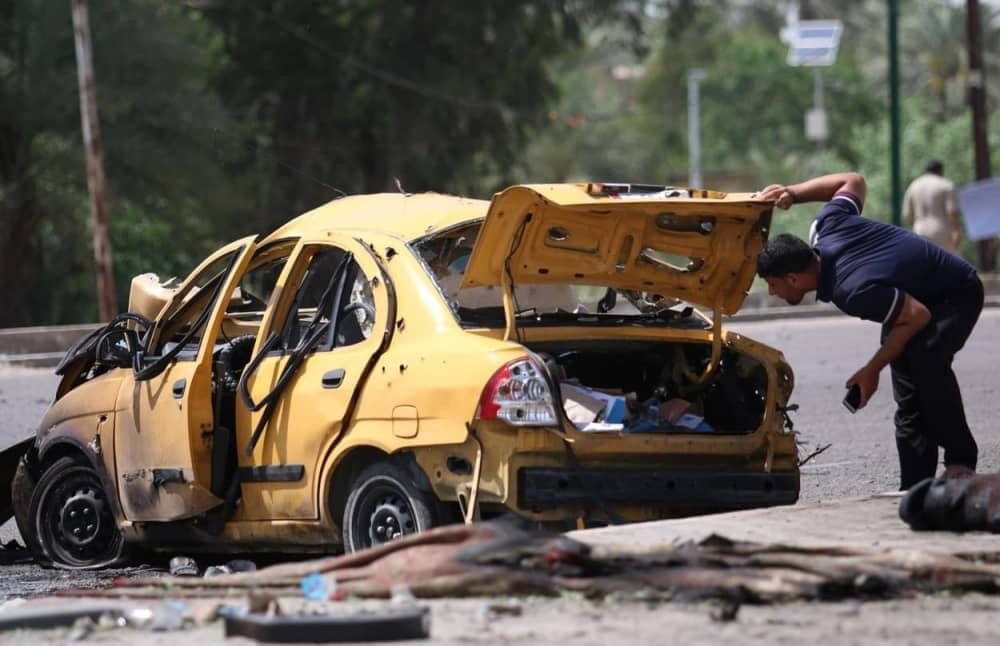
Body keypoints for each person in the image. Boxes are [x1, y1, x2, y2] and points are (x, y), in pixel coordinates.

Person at [754, 172, 984, 490]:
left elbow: (916, 317)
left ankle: (961, 461)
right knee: (907, 388)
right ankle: (915, 487)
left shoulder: (852, 289)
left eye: (773, 285)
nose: (772, 293)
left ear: (793, 279)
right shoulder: (825, 226)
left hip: (955, 293)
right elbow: (853, 181)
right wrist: (792, 193)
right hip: (909, 295)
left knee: (925, 360)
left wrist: (871, 369)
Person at [902, 160, 961, 254]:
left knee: (924, 265)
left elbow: (908, 214)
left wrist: (916, 226)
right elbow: (951, 212)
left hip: (920, 230)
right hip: (942, 231)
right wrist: (955, 231)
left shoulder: (914, 186)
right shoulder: (945, 185)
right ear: (941, 171)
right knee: (946, 265)